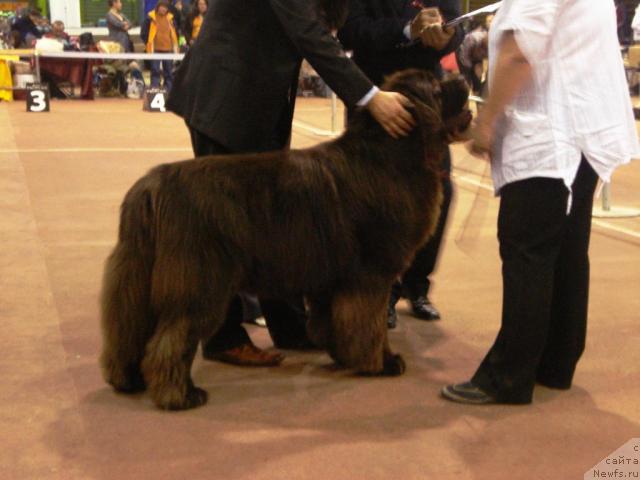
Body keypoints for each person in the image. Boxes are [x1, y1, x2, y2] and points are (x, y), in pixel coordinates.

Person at [167, 0, 415, 366]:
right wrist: (370, 98)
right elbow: (307, 32)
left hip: (255, 102)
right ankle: (222, 337)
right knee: (226, 230)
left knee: (275, 224)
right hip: (226, 98)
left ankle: (289, 325)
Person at [442, 0, 639, 405]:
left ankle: (508, 375)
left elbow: (519, 53)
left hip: (549, 137)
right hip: (583, 135)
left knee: (527, 252)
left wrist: (488, 120)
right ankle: (556, 362)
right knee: (567, 252)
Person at [338, 0, 464, 329]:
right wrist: (408, 31)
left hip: (428, 103)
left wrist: (447, 36)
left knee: (440, 193)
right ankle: (381, 291)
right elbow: (350, 32)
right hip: (376, 100)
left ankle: (417, 285)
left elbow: (457, 25)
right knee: (375, 203)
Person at [141, 0, 178, 91]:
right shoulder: (150, 18)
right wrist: (148, 43)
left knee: (168, 71)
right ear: (158, 7)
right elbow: (143, 33)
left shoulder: (171, 19)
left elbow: (175, 32)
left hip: (168, 49)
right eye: (162, 7)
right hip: (155, 49)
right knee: (155, 71)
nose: (163, 9)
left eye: (165, 8)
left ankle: (168, 89)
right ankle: (154, 89)